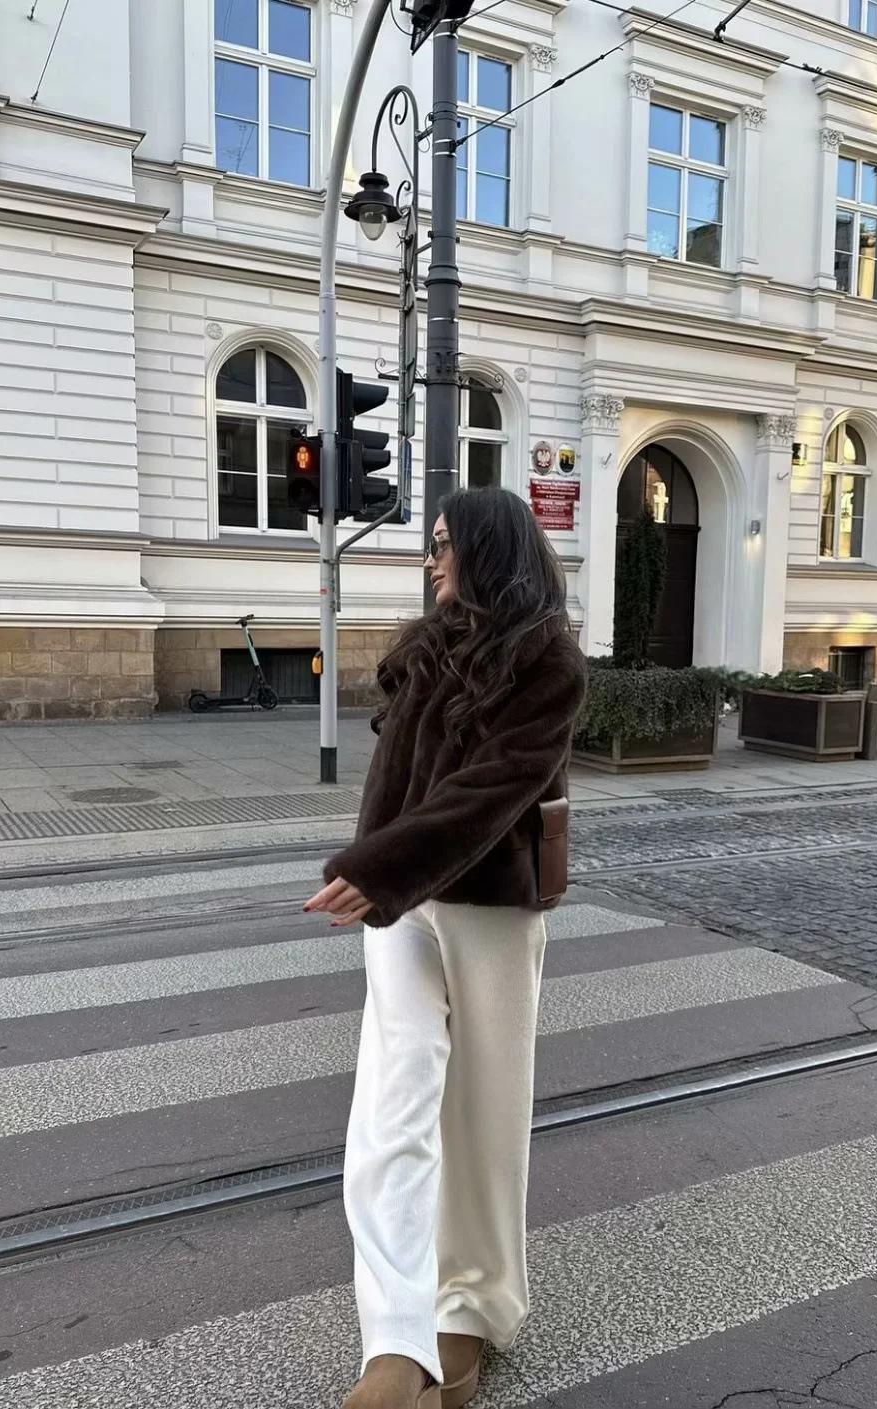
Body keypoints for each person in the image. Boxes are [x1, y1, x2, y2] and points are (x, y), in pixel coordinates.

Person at [304, 487, 587, 1409]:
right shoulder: (426, 649)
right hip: (402, 906)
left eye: (444, 544)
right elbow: (391, 784)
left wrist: (381, 865)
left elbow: (497, 788)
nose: (431, 560)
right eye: (429, 544)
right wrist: (379, 872)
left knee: (482, 1116)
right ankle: (396, 1340)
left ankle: (472, 1300)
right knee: (391, 1108)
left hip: (490, 908)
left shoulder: (548, 661)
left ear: (489, 549)